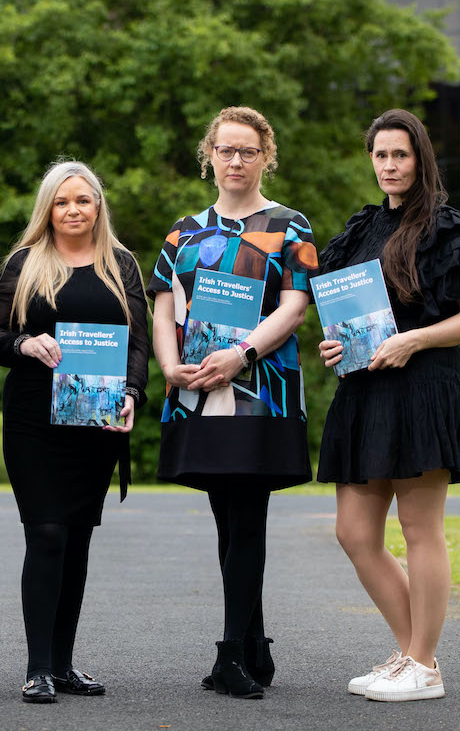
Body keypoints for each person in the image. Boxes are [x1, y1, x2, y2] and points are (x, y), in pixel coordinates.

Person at [316, 108, 460, 702]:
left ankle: (421, 663)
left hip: (423, 390)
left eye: (400, 155)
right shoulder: (362, 229)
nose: (389, 165)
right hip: (365, 391)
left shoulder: (448, 230)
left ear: (420, 159)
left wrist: (413, 339)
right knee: (353, 532)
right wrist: (334, 345)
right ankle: (415, 657)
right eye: (380, 155)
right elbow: (346, 313)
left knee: (421, 530)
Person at [146, 106, 318, 699]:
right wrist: (170, 367)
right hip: (197, 392)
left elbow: (295, 308)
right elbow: (163, 305)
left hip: (261, 391)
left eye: (249, 150)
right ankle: (251, 642)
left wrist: (241, 354)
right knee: (231, 515)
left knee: (247, 513)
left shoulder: (292, 226)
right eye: (227, 150)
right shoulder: (183, 232)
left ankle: (231, 653)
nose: (237, 160)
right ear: (209, 157)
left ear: (266, 155)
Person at [0, 161, 149, 704]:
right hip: (34, 421)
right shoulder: (26, 262)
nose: (73, 210)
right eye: (62, 202)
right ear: (47, 209)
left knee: (76, 538)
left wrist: (131, 393)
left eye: (83, 200)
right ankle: (37, 668)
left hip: (96, 423)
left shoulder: (121, 265)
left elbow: (138, 344)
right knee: (47, 532)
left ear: (98, 206)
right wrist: (25, 345)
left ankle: (65, 664)